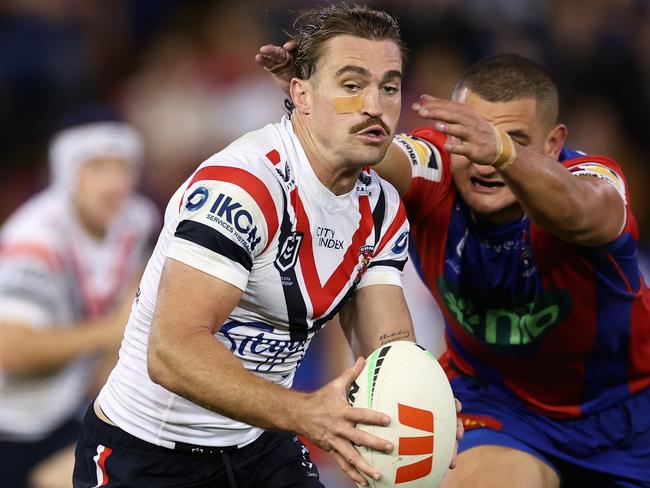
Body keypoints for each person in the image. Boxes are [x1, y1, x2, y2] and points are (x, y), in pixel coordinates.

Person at [73, 5, 461, 488]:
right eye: (350, 84)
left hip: (261, 446)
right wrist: (306, 413)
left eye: (389, 86)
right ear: (300, 93)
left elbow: (386, 347)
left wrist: (418, 409)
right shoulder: (240, 187)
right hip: (149, 452)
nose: (374, 105)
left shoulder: (380, 205)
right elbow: (172, 351)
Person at [259, 46, 650, 486]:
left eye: (512, 139)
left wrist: (501, 152)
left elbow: (584, 212)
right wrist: (317, 105)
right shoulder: (435, 169)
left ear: (553, 144)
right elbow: (376, 153)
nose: (483, 156)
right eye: (469, 137)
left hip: (632, 409)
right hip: (497, 408)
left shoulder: (591, 178)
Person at [0, 108, 159, 488]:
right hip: (13, 422)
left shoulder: (136, 220)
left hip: (72, 407)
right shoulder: (35, 239)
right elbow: (10, 348)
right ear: (66, 171)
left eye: (122, 167)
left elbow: (131, 290)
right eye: (97, 168)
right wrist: (111, 333)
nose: (114, 183)